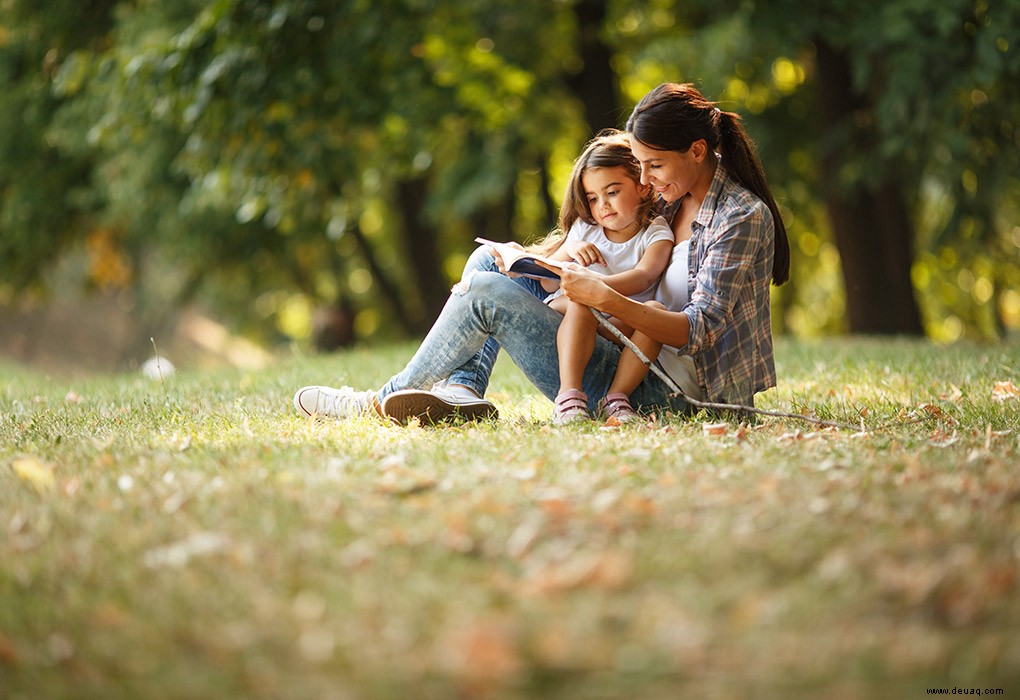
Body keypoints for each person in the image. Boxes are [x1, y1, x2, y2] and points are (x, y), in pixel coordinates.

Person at [293, 82, 790, 424]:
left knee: (485, 292)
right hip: (620, 343)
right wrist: (538, 259)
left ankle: (376, 403)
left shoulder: (739, 218)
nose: (642, 179)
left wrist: (604, 297)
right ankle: (462, 389)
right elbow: (603, 236)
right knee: (490, 262)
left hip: (668, 390)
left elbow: (699, 329)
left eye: (651, 165)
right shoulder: (670, 191)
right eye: (638, 165)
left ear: (698, 151)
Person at [523, 131, 673, 424]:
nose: (602, 205)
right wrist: (570, 248)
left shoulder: (655, 232)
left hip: (620, 321)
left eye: (612, 192)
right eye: (593, 198)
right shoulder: (586, 229)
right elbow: (547, 281)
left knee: (655, 313)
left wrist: (599, 289)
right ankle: (569, 397)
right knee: (582, 302)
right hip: (571, 312)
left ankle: (616, 399)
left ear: (642, 186)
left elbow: (644, 277)